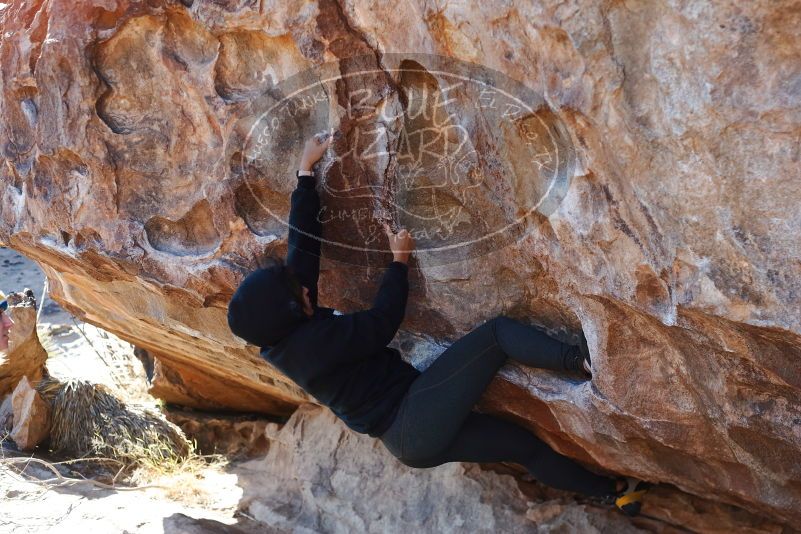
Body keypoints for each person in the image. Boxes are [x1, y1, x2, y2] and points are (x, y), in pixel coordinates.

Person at [227, 131, 649, 516]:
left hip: (411, 437)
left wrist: (305, 173)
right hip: (412, 418)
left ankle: (616, 494)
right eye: (296, 295)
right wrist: (399, 263)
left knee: (523, 447)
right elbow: (382, 323)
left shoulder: (285, 330)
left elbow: (302, 254)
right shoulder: (310, 349)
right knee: (497, 335)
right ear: (288, 313)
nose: (304, 290)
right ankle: (581, 362)